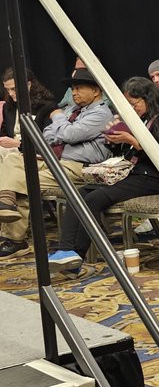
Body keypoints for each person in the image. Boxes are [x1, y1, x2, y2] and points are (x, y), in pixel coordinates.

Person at [46, 76, 159, 272]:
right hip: (132, 173)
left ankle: (77, 257)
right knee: (77, 193)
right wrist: (113, 140)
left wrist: (130, 140)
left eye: (134, 104)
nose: (131, 109)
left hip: (154, 178)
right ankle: (65, 249)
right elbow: (126, 153)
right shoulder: (138, 119)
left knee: (94, 199)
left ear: (148, 99)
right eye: (128, 105)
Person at [0, 68, 112, 257]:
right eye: (72, 89)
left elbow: (69, 134)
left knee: (20, 180)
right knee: (12, 159)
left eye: (78, 88)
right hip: (55, 160)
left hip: (78, 167)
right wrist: (63, 128)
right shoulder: (72, 110)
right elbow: (47, 134)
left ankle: (15, 240)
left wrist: (59, 119)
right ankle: (6, 201)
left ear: (95, 91)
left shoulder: (101, 113)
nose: (73, 93)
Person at [0, 68, 56, 145]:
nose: (10, 93)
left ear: (28, 85)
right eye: (7, 90)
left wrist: (19, 144)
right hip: (9, 149)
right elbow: (4, 134)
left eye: (13, 89)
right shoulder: (7, 107)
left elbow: (47, 141)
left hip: (33, 151)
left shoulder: (47, 107)